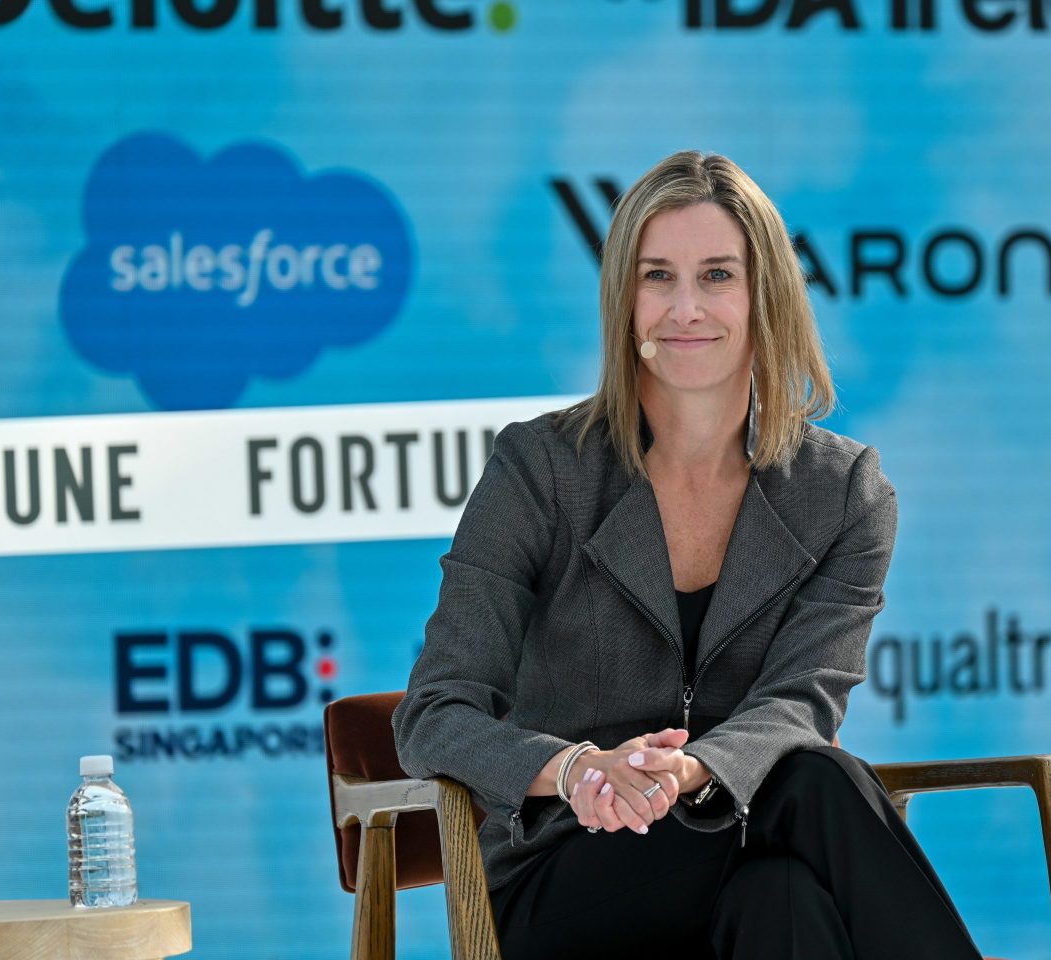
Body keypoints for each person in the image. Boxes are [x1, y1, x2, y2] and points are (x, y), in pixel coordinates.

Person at [391, 150, 983, 959]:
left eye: (717, 276)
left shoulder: (844, 494)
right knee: (816, 783)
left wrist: (691, 770)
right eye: (657, 277)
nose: (685, 308)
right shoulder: (542, 470)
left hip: (743, 847)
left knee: (783, 899)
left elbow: (799, 704)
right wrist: (579, 770)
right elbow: (434, 713)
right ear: (624, 300)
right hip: (567, 879)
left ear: (766, 296)